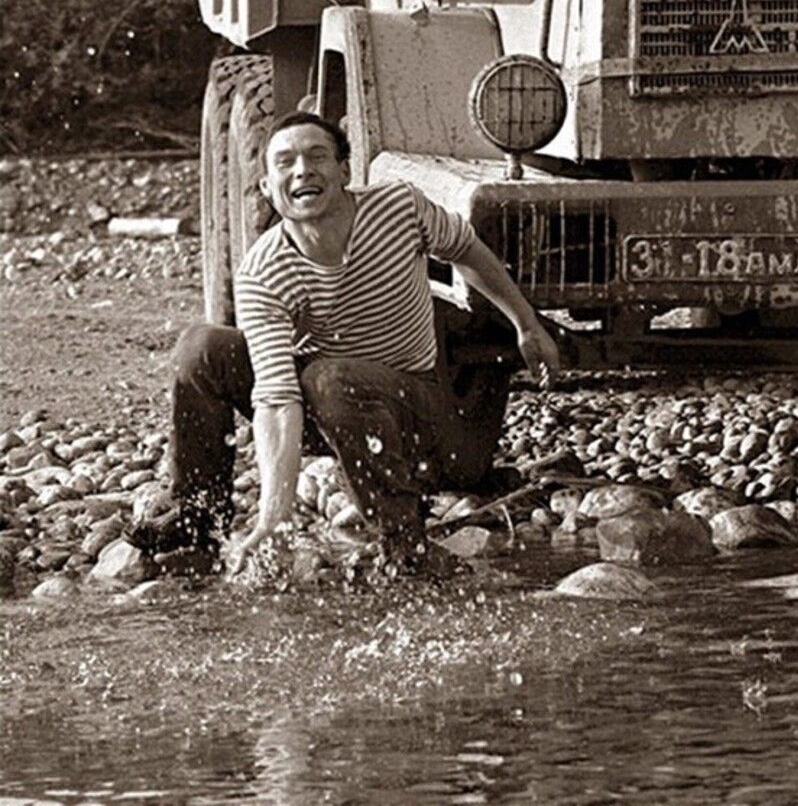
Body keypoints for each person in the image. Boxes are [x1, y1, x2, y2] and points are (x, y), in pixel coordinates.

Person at [127, 111, 560, 576]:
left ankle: (404, 544)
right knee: (201, 348)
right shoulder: (263, 272)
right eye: (285, 163)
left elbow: (465, 248)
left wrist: (526, 324)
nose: (302, 171)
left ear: (345, 171)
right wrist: (273, 519)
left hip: (421, 416)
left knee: (330, 377)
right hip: (331, 408)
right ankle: (196, 519)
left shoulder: (398, 207)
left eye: (317, 157)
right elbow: (276, 397)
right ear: (268, 188)